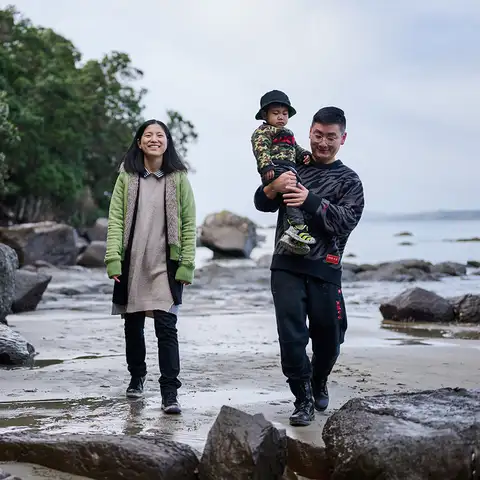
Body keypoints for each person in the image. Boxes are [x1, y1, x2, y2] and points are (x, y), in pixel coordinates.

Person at [254, 107, 364, 426]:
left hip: (325, 269)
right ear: (309, 133)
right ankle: (302, 399)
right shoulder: (295, 166)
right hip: (286, 265)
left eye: (331, 137)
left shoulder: (349, 180)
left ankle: (319, 380)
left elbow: (345, 222)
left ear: (343, 138)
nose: (323, 143)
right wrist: (273, 187)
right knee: (292, 338)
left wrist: (309, 200)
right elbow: (262, 202)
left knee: (330, 338)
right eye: (318, 135)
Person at [105, 119, 196, 414]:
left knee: (166, 327)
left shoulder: (178, 178)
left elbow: (189, 223)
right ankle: (137, 376)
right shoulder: (128, 177)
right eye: (148, 135)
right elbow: (116, 219)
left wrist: (187, 264)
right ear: (140, 142)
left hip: (165, 262)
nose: (154, 139)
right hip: (133, 261)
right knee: (133, 325)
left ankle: (170, 393)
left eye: (160, 135)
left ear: (167, 142)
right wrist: (113, 258)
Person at [251, 90, 315, 255]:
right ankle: (297, 228)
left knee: (292, 198)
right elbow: (261, 148)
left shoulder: (288, 134)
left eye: (284, 114)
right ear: (265, 115)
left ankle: (292, 235)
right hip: (276, 169)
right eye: (276, 113)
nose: (281, 117)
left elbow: (295, 149)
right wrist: (266, 167)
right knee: (294, 194)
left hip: (290, 168)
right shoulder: (264, 131)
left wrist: (305, 155)